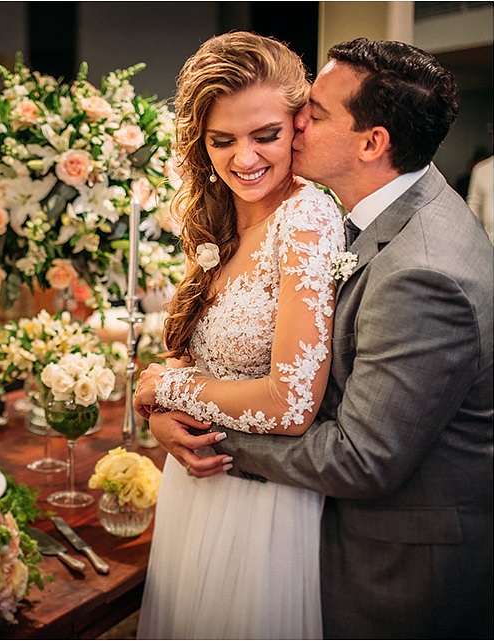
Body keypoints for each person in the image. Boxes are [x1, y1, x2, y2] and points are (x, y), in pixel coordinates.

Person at [139, 38, 493, 639]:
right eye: (222, 139)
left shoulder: (421, 266)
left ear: (373, 142)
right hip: (248, 494)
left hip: (394, 558)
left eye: (314, 114)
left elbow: (357, 454)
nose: (300, 123)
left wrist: (183, 406)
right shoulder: (380, 214)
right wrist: (173, 406)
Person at [133, 32, 344, 639]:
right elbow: (198, 350)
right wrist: (162, 416)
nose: (244, 159)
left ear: (298, 124)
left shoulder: (306, 220)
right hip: (196, 481)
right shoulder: (218, 210)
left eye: (266, 136)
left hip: (262, 501)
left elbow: (291, 403)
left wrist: (170, 388)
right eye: (222, 140)